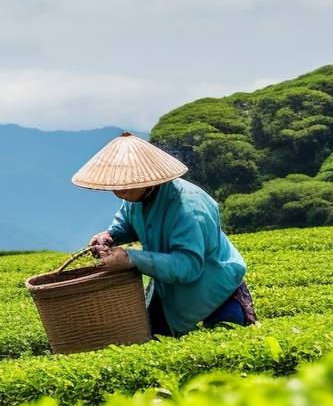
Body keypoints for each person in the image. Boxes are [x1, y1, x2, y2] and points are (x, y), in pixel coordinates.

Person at [74, 132, 256, 337]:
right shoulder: (136, 196)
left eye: (126, 185)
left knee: (223, 345)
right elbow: (128, 223)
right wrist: (110, 236)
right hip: (170, 295)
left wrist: (131, 258)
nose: (120, 191)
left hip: (216, 295)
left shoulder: (189, 207)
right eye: (116, 184)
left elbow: (187, 266)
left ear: (147, 177)